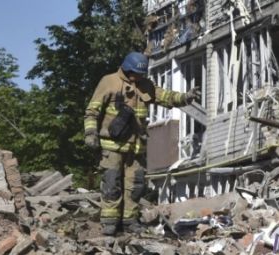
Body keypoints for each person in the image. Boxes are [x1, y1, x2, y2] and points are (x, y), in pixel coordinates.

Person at [84, 51, 200, 236]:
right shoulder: (109, 82)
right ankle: (109, 222)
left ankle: (130, 221)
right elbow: (92, 111)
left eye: (140, 74)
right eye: (134, 73)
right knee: (111, 184)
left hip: (136, 147)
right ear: (126, 68)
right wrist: (90, 133)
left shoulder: (146, 85)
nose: (136, 77)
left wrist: (185, 97)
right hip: (112, 146)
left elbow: (166, 96)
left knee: (135, 186)